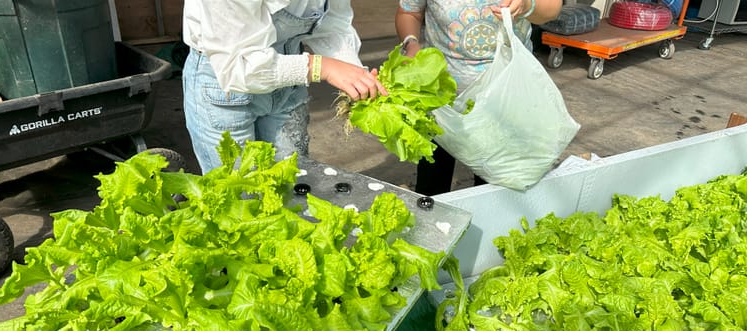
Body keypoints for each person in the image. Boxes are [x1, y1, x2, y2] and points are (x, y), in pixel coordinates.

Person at [182, 1, 388, 174]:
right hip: (226, 84)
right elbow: (237, 67)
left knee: (291, 180)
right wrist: (321, 67)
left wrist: (352, 73)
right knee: (239, 197)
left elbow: (333, 24)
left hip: (289, 72)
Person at [395, 0, 562, 195]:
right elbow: (409, 13)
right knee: (433, 184)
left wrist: (527, 6)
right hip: (440, 99)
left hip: (505, 96)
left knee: (496, 187)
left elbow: (552, 8)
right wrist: (410, 42)